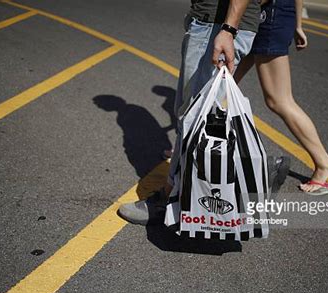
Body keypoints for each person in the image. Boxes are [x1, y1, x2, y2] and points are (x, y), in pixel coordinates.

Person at [118, 0, 290, 225]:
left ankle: (170, 200)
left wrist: (228, 29)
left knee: (194, 120)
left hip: (216, 26)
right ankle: (250, 174)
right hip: (215, 23)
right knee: (199, 118)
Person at [234, 0, 328, 195]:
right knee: (224, 82)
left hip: (268, 15)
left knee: (279, 100)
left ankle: (324, 163)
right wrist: (297, 24)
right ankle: (187, 146)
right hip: (269, 14)